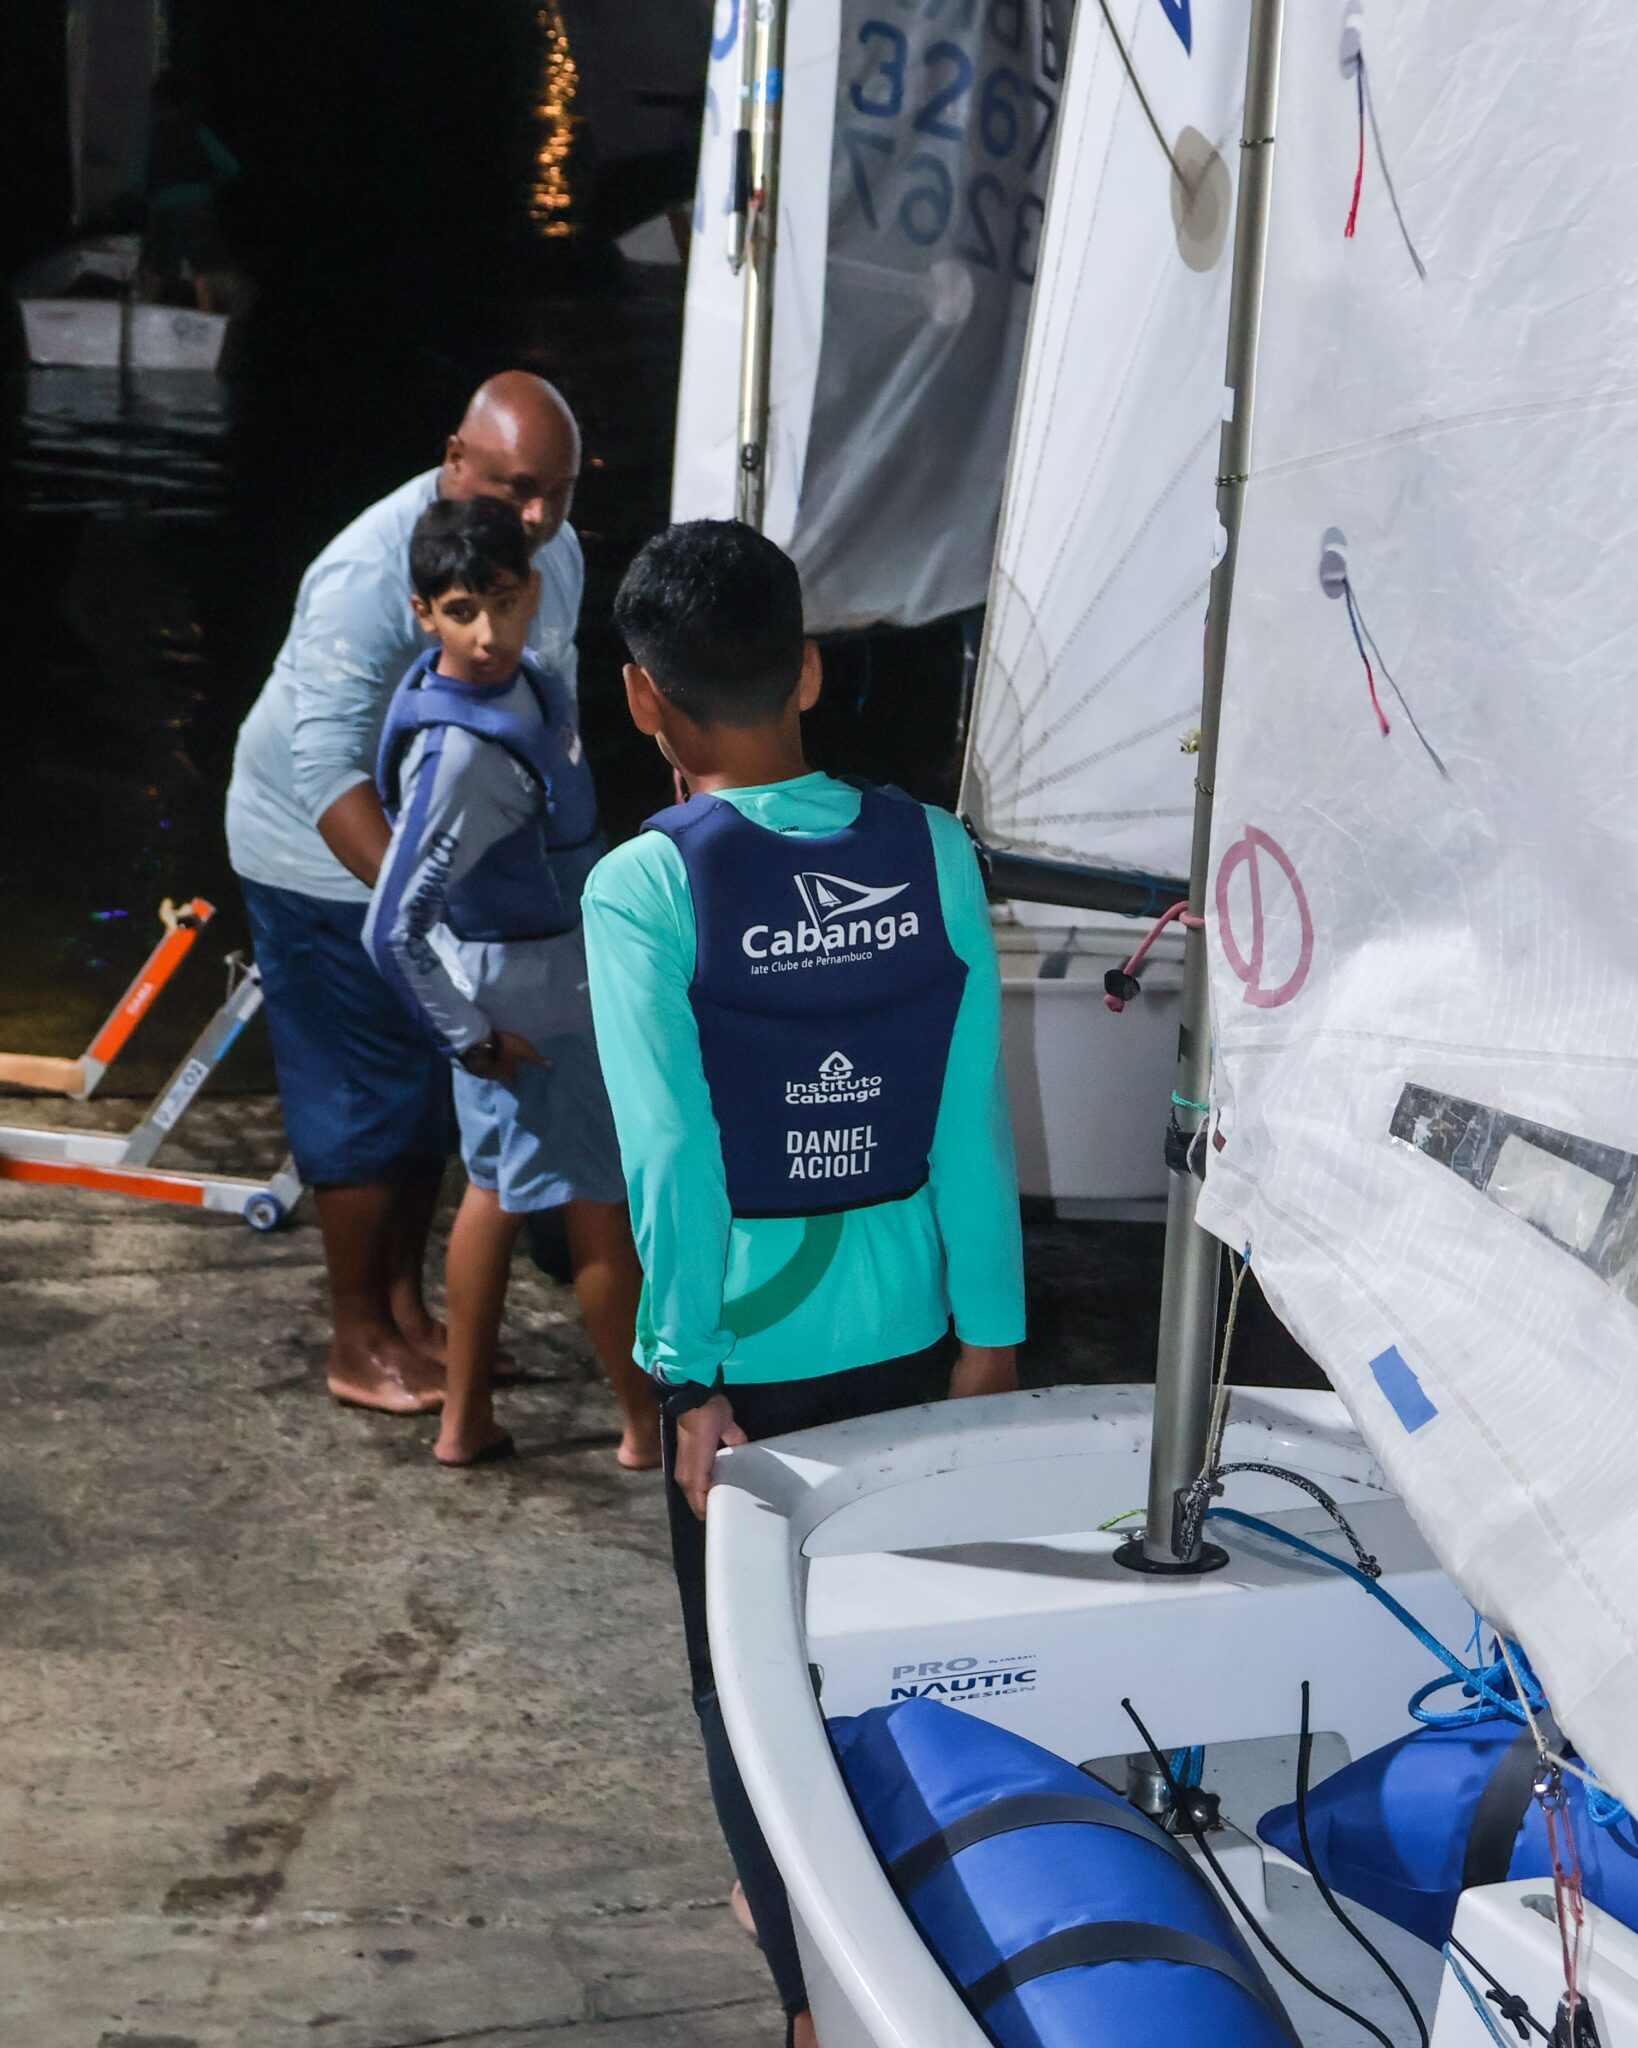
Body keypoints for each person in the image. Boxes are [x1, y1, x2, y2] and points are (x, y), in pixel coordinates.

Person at [582, 520, 1026, 2045]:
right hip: (912, 1333)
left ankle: (808, 2002)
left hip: (748, 1357)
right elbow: (969, 1116)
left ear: (643, 700)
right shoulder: (934, 849)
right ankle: (885, 1924)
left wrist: (686, 1377)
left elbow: (672, 1162)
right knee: (892, 1656)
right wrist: (990, 1340)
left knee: (748, 1686)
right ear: (812, 673)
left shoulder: (645, 887)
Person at [226, 372, 590, 1417]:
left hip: (446, 852)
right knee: (362, 1091)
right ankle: (357, 1337)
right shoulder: (365, 570)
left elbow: (548, 695)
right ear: (454, 460)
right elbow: (325, 771)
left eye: (558, 491)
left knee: (435, 1086)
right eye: (516, 488)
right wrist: (420, 914)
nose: (537, 515)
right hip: (314, 845)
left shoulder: (555, 549)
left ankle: (410, 1315)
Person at [362, 496, 655, 1469]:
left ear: (531, 591)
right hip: (536, 1008)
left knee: (494, 1192)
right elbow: (390, 926)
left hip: (519, 986)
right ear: (423, 613)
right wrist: (472, 1037)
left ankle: (464, 1422)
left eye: (501, 601)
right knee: (599, 1208)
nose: (486, 634)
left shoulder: (516, 682)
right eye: (460, 612)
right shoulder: (460, 758)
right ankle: (644, 1425)